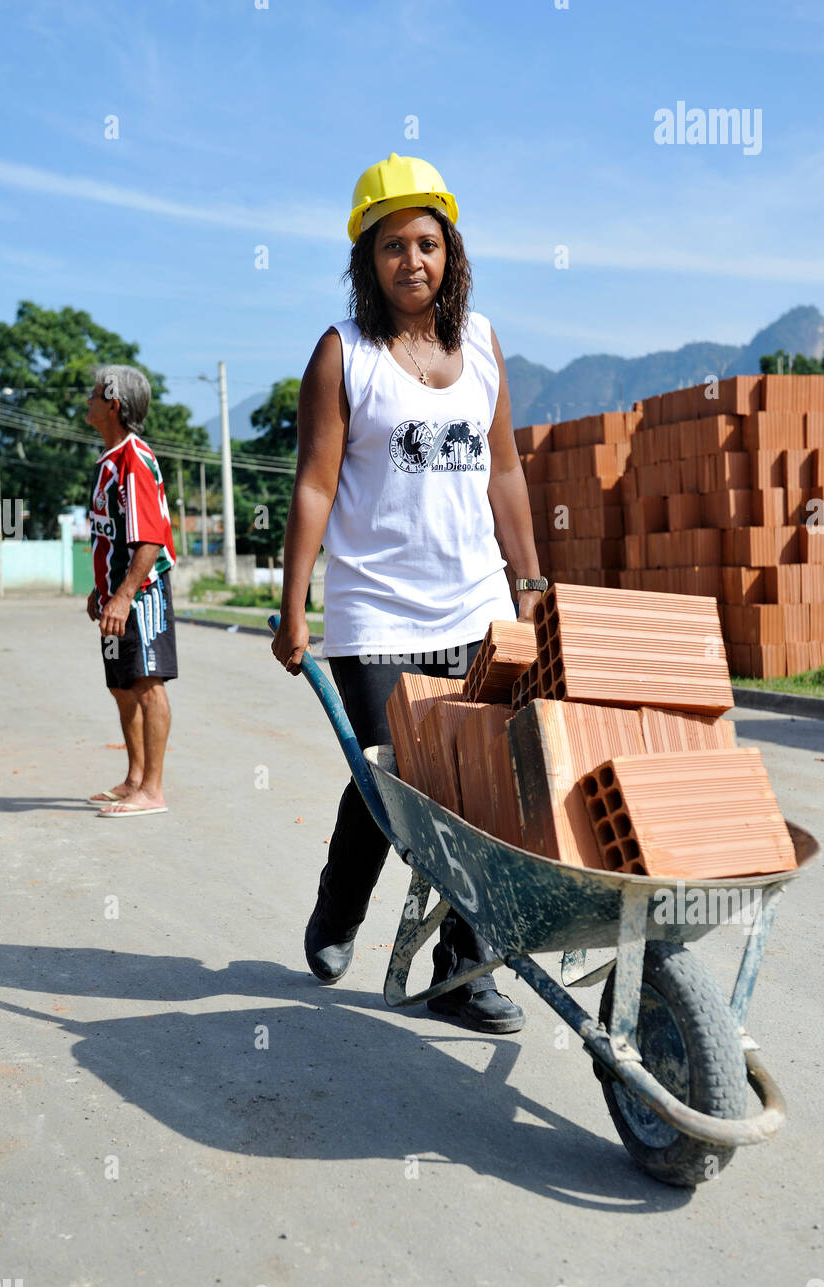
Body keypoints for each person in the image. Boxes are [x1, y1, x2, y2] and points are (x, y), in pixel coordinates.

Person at [271, 153, 546, 1032]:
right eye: (393, 246)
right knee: (398, 778)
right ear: (368, 258)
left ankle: (465, 970)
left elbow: (504, 470)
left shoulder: (485, 346)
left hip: (474, 607)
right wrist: (292, 606)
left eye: (426, 243)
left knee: (480, 783)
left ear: (449, 250)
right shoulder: (343, 354)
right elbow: (314, 485)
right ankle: (340, 905)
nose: (412, 261)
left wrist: (529, 578)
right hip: (376, 613)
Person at [85, 364, 178, 818]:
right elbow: (112, 535)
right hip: (114, 597)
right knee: (123, 688)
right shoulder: (109, 461)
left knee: (147, 684)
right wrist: (99, 590)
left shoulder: (134, 461)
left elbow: (149, 540)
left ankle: (153, 791)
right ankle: (135, 779)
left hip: (141, 596)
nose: (87, 401)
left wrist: (123, 596)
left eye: (93, 395)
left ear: (113, 405)